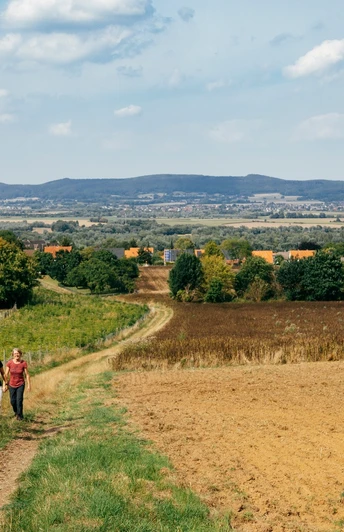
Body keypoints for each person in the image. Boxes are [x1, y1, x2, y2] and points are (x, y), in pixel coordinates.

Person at [4, 348, 31, 420]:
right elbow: (5, 375)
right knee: (12, 401)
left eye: (18, 353)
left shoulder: (23, 363)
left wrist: (29, 385)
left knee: (19, 400)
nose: (17, 354)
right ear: (12, 355)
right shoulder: (9, 363)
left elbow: (27, 374)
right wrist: (5, 385)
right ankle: (16, 412)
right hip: (11, 384)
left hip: (20, 384)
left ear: (20, 354)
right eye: (15, 353)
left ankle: (20, 416)